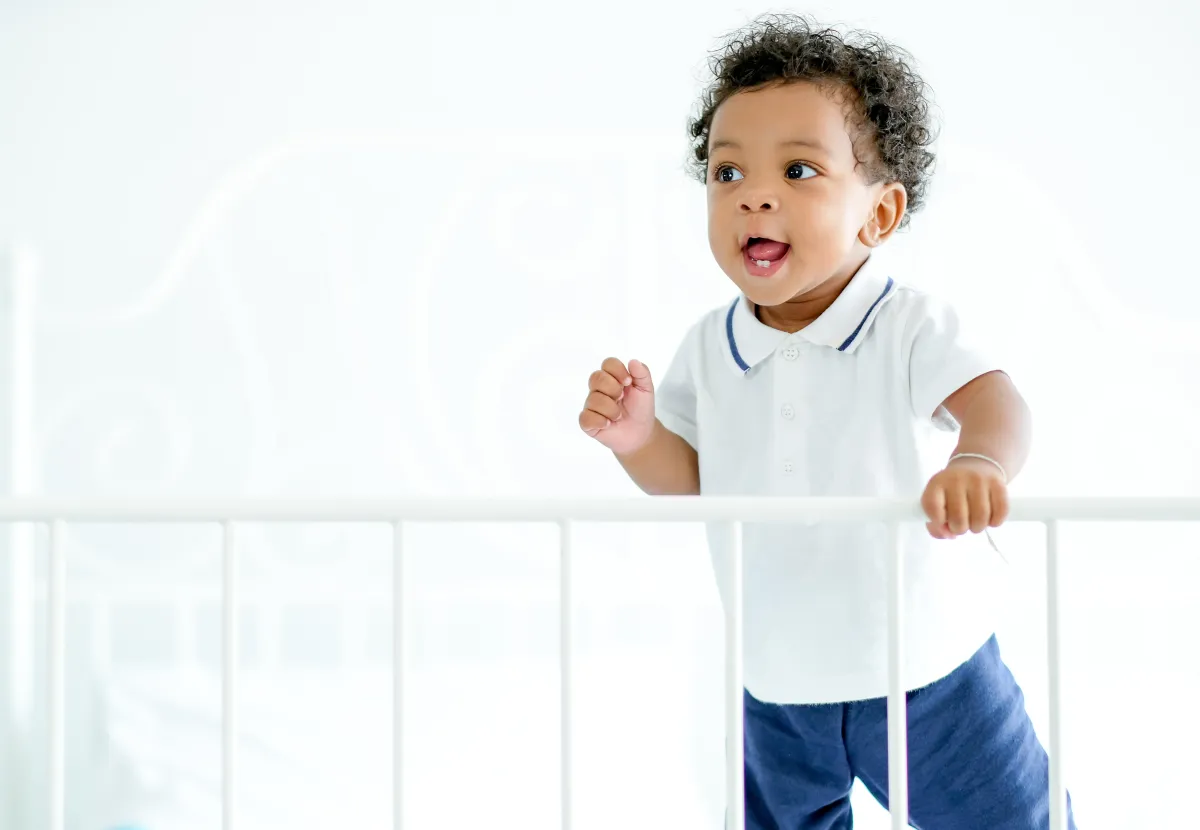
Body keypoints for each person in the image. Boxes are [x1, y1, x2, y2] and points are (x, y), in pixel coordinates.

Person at [577, 14, 1076, 829]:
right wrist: (638, 439)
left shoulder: (905, 326)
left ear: (877, 216)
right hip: (777, 683)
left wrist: (981, 461)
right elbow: (692, 483)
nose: (755, 195)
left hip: (927, 671)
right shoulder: (710, 346)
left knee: (1015, 819)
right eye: (726, 171)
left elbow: (995, 400)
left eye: (799, 169)